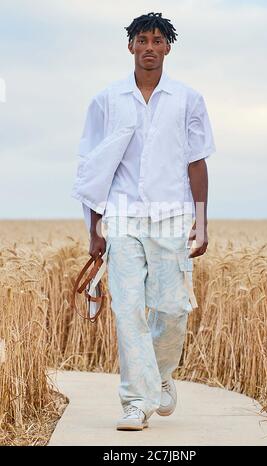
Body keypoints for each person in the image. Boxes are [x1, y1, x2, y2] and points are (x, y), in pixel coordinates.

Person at [71, 11, 216, 431]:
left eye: (157, 40)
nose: (149, 47)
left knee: (172, 310)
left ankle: (161, 375)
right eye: (142, 40)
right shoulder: (106, 100)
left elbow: (197, 162)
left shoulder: (188, 99)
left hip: (171, 217)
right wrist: (94, 227)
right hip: (121, 217)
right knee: (128, 310)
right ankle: (135, 401)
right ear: (130, 46)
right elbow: (93, 166)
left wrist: (201, 221)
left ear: (167, 47)